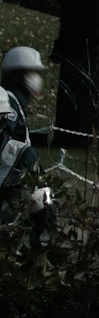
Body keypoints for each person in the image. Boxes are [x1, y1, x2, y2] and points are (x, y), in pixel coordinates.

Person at [0, 47, 44, 215]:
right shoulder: (9, 101)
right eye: (32, 73)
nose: (37, 79)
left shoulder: (14, 101)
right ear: (17, 75)